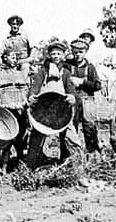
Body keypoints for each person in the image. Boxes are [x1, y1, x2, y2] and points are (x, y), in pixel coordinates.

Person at [26, 40, 81, 170]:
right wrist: (32, 96)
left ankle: (76, 166)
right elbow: (35, 87)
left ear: (62, 55)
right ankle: (30, 166)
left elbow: (71, 89)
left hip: (61, 111)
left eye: (58, 54)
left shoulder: (65, 72)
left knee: (71, 138)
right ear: (49, 55)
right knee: (36, 137)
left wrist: (72, 97)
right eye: (53, 53)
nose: (56, 56)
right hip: (44, 110)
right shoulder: (43, 71)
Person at [0, 47, 30, 174]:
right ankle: (3, 166)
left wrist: (24, 100)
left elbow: (26, 91)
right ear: (5, 58)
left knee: (20, 139)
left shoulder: (21, 74)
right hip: (6, 112)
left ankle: (20, 166)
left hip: (19, 111)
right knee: (7, 139)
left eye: (16, 58)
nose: (15, 60)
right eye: (12, 57)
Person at [64, 38, 102, 154]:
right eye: (75, 52)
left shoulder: (90, 67)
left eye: (81, 52)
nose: (78, 55)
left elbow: (97, 85)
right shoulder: (67, 66)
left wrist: (82, 82)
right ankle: (70, 156)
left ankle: (93, 154)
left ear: (85, 52)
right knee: (70, 128)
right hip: (72, 101)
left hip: (87, 101)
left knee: (90, 128)